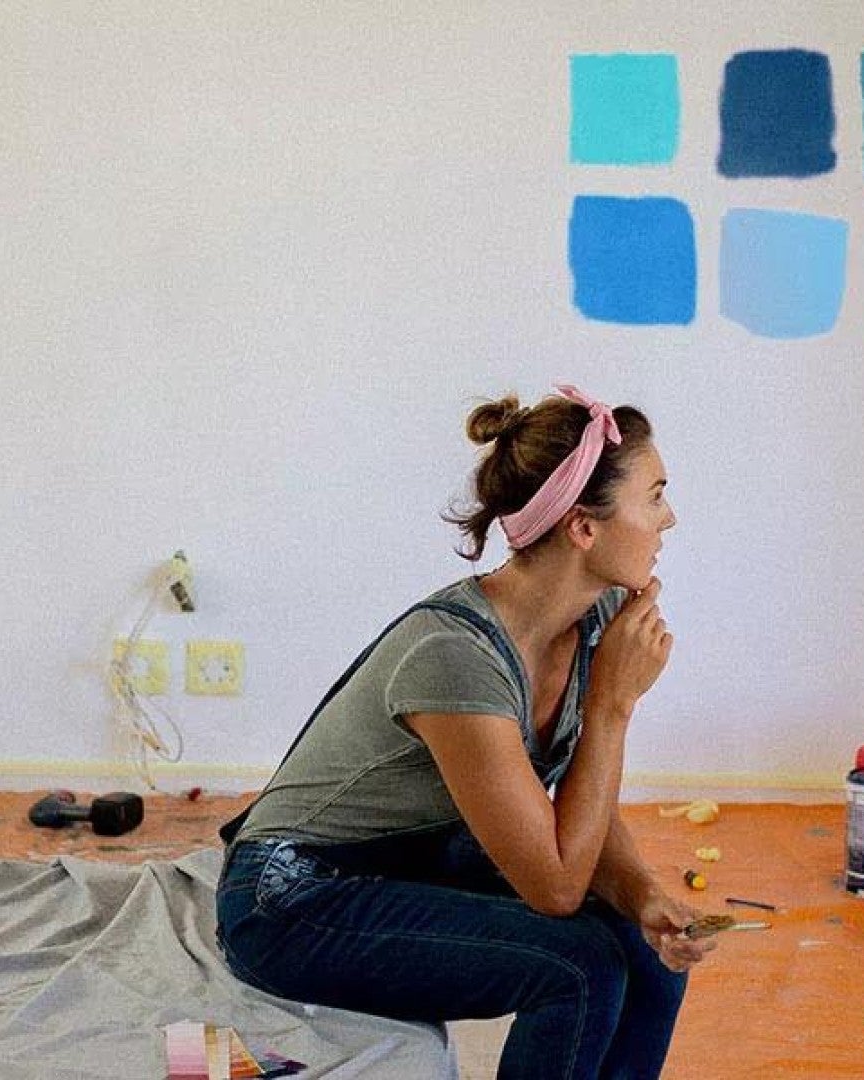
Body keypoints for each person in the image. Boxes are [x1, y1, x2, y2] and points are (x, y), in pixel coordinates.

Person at [215, 384, 708, 1079]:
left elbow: (576, 827)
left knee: (639, 945)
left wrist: (643, 894)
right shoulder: (455, 656)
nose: (671, 520)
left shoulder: (596, 622)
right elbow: (557, 888)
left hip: (413, 860)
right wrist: (612, 710)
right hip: (292, 897)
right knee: (575, 967)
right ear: (584, 528)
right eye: (655, 496)